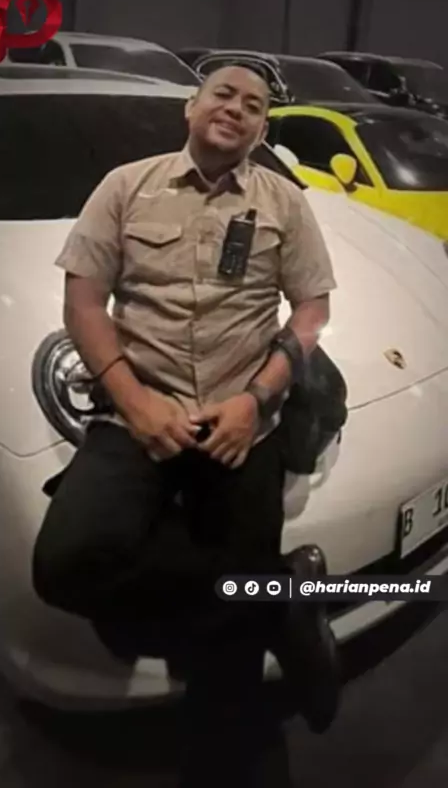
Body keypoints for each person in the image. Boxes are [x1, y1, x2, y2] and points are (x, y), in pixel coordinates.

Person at [32, 64, 340, 787]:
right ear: (192, 108)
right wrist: (134, 401)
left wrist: (256, 400)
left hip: (243, 423)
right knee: (66, 565)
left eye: (253, 105)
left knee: (229, 665)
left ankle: (232, 754)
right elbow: (83, 305)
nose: (236, 109)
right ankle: (280, 602)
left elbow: (311, 313)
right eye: (223, 95)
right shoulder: (125, 186)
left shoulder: (283, 203)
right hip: (138, 410)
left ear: (262, 129)